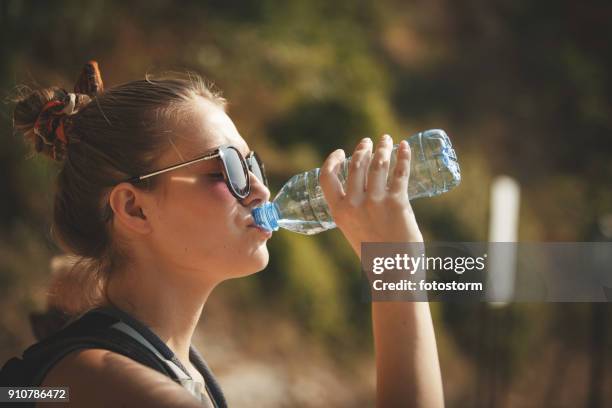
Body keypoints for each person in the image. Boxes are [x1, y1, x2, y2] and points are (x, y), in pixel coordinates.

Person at [7, 61, 444, 407]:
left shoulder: (174, 370)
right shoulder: (108, 381)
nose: (260, 189)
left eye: (253, 166)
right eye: (230, 168)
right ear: (134, 207)